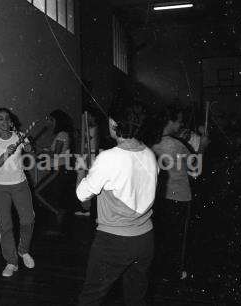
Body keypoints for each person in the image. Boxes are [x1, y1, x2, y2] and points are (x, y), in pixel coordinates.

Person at [76, 105, 159, 306]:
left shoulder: (109, 158)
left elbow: (82, 195)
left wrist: (81, 169)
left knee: (90, 298)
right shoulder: (150, 154)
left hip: (114, 242)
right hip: (145, 239)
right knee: (136, 298)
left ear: (114, 124)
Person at [151, 105, 209, 280]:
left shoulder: (151, 141)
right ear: (171, 121)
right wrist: (203, 147)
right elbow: (196, 170)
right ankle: (173, 272)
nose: (181, 124)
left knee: (160, 234)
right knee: (176, 238)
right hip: (179, 197)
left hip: (159, 196)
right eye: (179, 121)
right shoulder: (177, 145)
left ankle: (158, 269)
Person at [0, 108, 35, 277]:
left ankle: (23, 250)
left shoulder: (19, 135)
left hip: (20, 184)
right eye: (1, 119)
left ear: (11, 121)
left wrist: (27, 144)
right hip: (0, 188)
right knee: (5, 226)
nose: (5, 121)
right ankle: (11, 262)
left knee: (28, 219)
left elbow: (29, 150)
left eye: (7, 118)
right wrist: (6, 153)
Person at [35, 109, 78, 227]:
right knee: (50, 195)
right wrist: (43, 150)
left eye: (52, 120)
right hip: (59, 169)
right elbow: (55, 151)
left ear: (58, 121)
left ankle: (58, 214)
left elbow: (56, 153)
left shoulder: (62, 134)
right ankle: (58, 219)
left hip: (58, 170)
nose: (50, 122)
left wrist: (42, 153)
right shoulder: (63, 134)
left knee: (38, 192)